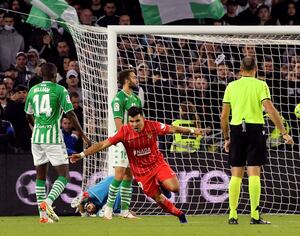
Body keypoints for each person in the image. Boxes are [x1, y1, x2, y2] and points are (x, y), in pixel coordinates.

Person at [69, 106, 203, 224]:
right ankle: (180, 214)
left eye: (137, 121)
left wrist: (192, 131)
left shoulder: (153, 126)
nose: (134, 124)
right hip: (141, 173)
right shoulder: (124, 132)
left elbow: (173, 129)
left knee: (175, 188)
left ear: (143, 119)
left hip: (157, 164)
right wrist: (81, 155)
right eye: (131, 121)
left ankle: (162, 184)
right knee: (158, 198)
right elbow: (103, 144)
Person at [220, 56, 294, 225]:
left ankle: (232, 215)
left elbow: (224, 116)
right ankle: (254, 216)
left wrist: (226, 137)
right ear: (256, 69)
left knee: (236, 174)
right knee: (254, 172)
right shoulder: (261, 85)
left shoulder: (231, 86)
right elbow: (270, 109)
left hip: (237, 129)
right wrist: (283, 132)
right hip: (255, 129)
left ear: (240, 70)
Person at [24, 63, 90, 223]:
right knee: (64, 176)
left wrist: (37, 126)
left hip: (36, 138)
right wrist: (83, 135)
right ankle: (47, 202)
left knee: (40, 176)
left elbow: (28, 115)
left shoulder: (33, 90)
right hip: (52, 138)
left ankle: (43, 216)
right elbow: (71, 114)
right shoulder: (60, 90)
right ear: (54, 75)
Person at [105, 69, 142, 220]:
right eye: (134, 77)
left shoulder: (136, 99)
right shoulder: (118, 99)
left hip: (134, 142)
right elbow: (119, 124)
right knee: (119, 174)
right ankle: (108, 209)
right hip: (122, 142)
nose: (136, 79)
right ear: (127, 80)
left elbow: (141, 122)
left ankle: (124, 210)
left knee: (129, 176)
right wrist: (127, 139)